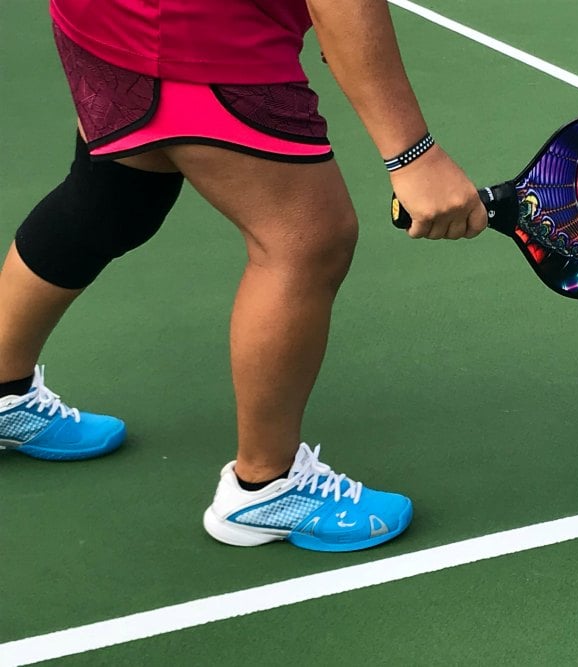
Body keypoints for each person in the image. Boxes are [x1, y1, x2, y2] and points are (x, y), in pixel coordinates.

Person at [0, 0, 488, 552]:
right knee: (307, 241)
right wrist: (413, 155)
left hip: (103, 14)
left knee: (114, 195)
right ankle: (265, 488)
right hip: (201, 34)